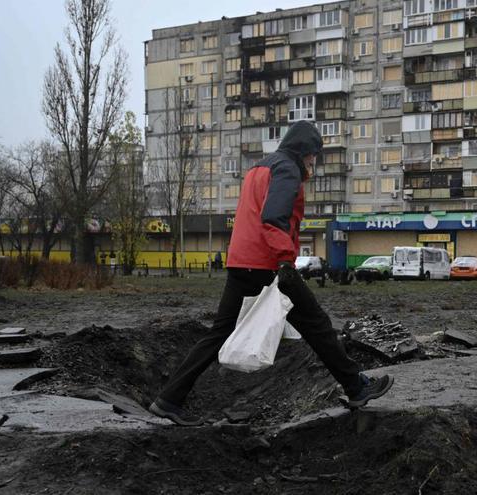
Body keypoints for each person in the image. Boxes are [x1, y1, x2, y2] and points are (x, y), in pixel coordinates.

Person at [149, 121, 393, 426]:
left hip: (242, 261)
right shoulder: (287, 169)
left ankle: (169, 399)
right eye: (314, 155)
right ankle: (357, 387)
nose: (313, 162)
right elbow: (273, 217)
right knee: (317, 325)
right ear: (304, 150)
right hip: (268, 264)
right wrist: (285, 261)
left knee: (219, 332)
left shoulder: (258, 168)